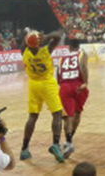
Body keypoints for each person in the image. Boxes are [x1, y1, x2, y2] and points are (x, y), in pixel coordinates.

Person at [20, 29, 66, 163]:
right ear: (39, 42)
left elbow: (25, 42)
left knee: (32, 116)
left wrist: (32, 37)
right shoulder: (46, 51)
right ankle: (55, 144)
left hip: (33, 85)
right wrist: (46, 35)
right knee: (57, 114)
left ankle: (24, 149)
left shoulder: (24, 51)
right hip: (47, 83)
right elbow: (57, 36)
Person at [57, 37, 90, 158]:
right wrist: (85, 82)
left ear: (68, 47)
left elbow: (57, 73)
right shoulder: (82, 54)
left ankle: (68, 142)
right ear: (78, 46)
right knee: (77, 113)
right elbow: (83, 67)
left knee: (67, 117)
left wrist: (62, 86)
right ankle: (69, 140)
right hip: (78, 84)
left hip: (65, 85)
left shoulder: (62, 58)